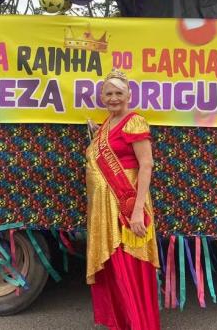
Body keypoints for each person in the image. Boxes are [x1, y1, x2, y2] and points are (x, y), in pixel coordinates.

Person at [85, 69, 160, 330]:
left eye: (119, 93)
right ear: (102, 97)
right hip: (106, 210)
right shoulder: (107, 123)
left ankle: (139, 324)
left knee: (130, 264)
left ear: (128, 95)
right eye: (109, 93)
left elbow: (146, 165)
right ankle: (123, 323)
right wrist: (97, 133)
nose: (113, 98)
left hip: (126, 205)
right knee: (116, 269)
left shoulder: (134, 121)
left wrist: (137, 211)